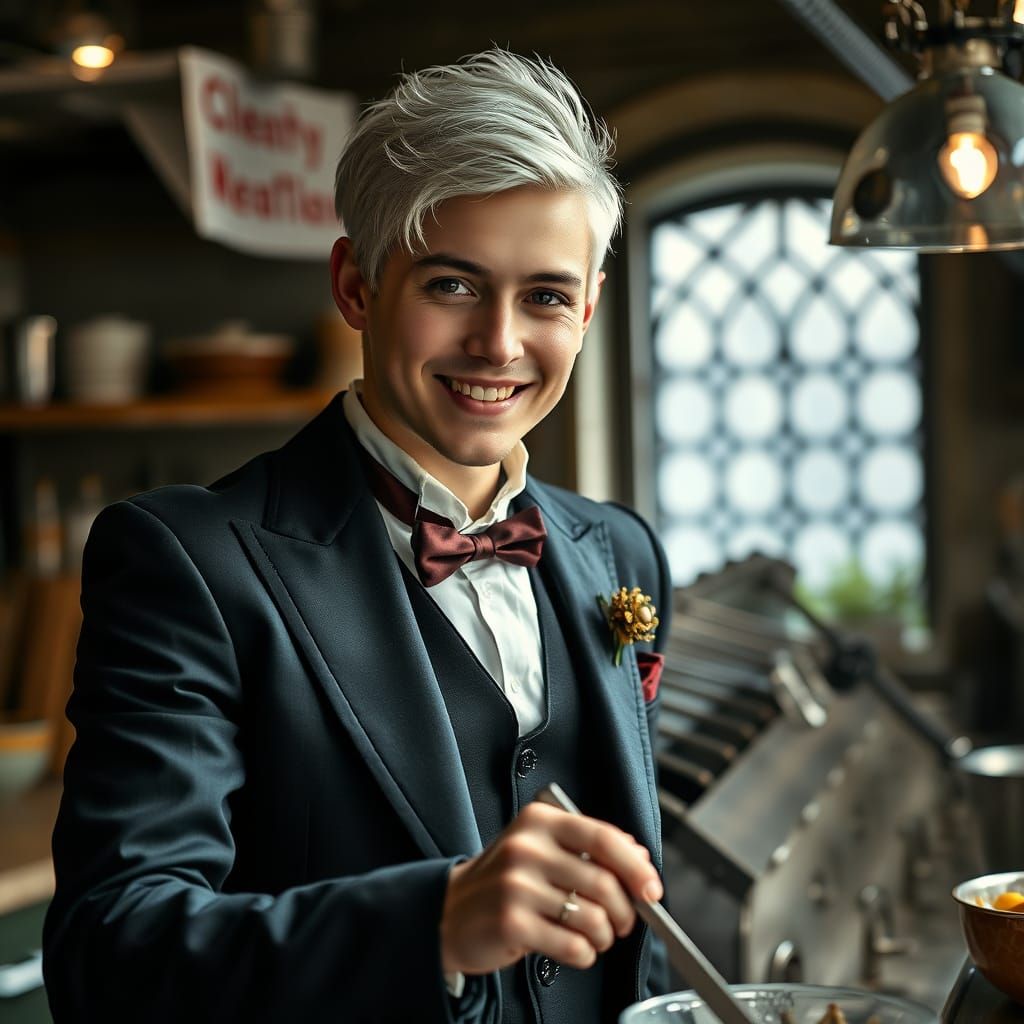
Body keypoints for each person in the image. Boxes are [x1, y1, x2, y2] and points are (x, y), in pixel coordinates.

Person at [43, 49, 672, 1023]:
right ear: (356, 286)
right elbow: (113, 951)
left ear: (586, 311)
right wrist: (431, 924)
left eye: (545, 296)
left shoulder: (621, 555)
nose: (499, 344)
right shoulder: (185, 561)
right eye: (453, 286)